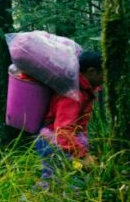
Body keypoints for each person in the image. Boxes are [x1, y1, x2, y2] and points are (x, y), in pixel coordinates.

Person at [34, 50, 104, 190]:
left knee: (69, 175)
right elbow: (63, 131)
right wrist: (83, 155)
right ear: (91, 72)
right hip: (53, 143)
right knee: (53, 180)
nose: (106, 77)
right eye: (104, 73)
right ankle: (31, 201)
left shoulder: (84, 90)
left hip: (63, 144)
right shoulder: (73, 95)